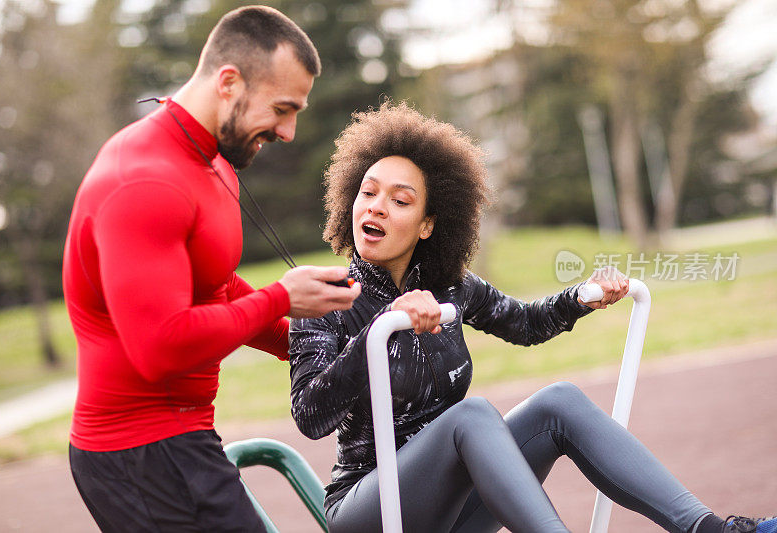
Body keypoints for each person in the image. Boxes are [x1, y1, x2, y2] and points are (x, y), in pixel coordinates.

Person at [288, 102, 776, 533]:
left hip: (454, 510)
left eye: (400, 200)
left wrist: (581, 297)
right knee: (473, 415)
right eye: (368, 193)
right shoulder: (325, 299)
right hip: (371, 510)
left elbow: (525, 323)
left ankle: (710, 529)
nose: (376, 207)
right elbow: (310, 416)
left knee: (557, 402)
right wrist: (379, 329)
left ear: (429, 224)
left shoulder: (451, 287)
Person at [62, 6, 361, 532]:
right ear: (229, 82)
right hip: (140, 453)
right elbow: (160, 348)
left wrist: (318, 345)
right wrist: (280, 298)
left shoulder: (215, 161)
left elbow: (215, 285)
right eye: (282, 108)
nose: (289, 132)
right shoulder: (143, 182)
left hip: (182, 438)